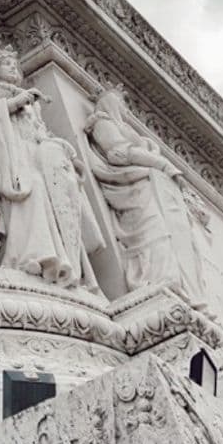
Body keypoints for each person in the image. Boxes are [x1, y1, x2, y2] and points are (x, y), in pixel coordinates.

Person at [0, 49, 103, 288]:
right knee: (33, 190)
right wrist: (17, 101)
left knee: (53, 194)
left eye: (15, 66)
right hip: (10, 155)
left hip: (35, 153)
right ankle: (28, 255)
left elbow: (41, 132)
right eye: (6, 64)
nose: (12, 68)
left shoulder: (32, 103)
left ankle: (59, 260)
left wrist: (67, 154)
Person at [85, 87, 206, 304]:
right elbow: (118, 153)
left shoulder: (123, 127)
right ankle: (160, 280)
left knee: (170, 235)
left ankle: (177, 284)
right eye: (121, 103)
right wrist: (163, 164)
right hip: (138, 191)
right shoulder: (103, 124)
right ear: (111, 103)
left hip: (152, 187)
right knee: (154, 232)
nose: (125, 109)